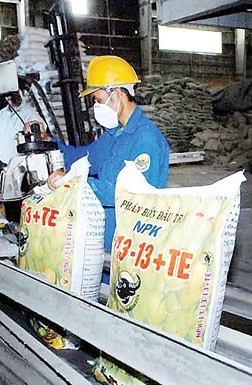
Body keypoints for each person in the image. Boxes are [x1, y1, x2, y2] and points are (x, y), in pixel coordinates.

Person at [46, 55, 170, 253]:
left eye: (99, 100)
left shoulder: (146, 139)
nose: (97, 107)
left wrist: (73, 182)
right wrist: (48, 142)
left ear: (118, 94)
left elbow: (130, 195)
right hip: (105, 238)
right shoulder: (113, 136)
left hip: (133, 244)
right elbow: (82, 157)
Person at [0, 90, 43, 221]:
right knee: (9, 204)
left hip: (23, 169)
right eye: (9, 95)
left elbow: (42, 132)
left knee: (22, 205)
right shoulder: (2, 114)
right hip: (6, 169)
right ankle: (13, 232)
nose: (12, 97)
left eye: (15, 93)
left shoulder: (29, 113)